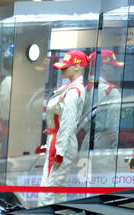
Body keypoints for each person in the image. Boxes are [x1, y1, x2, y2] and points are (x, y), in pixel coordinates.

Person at [41, 50, 88, 205]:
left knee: (49, 189)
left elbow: (67, 124)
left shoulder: (73, 91)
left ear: (77, 67)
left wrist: (59, 152)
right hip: (59, 140)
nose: (62, 69)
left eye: (65, 67)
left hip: (60, 142)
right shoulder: (69, 87)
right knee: (56, 189)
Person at [91, 50, 123, 152]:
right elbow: (112, 128)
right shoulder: (111, 92)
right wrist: (114, 151)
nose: (115, 70)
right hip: (104, 145)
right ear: (104, 67)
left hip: (86, 142)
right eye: (113, 66)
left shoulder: (85, 89)